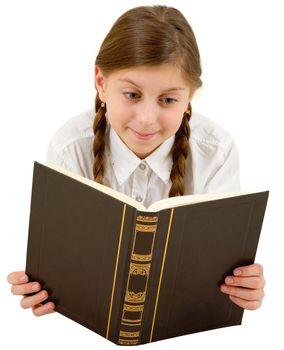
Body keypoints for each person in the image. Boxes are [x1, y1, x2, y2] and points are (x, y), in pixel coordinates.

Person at [7, 5, 265, 317]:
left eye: (168, 100)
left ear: (190, 97)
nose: (146, 120)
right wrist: (42, 285)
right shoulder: (69, 148)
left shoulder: (217, 152)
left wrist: (243, 285)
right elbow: (67, 260)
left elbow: (221, 269)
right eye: (131, 95)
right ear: (101, 82)